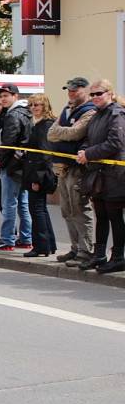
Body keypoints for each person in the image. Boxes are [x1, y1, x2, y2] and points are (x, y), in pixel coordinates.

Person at [76, 80, 125, 273]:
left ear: (110, 94)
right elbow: (89, 139)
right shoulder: (96, 116)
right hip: (98, 175)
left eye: (99, 93)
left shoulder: (117, 114)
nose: (95, 97)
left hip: (115, 175)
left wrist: (89, 154)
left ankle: (119, 256)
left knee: (115, 216)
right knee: (101, 215)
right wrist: (83, 150)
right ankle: (99, 255)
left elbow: (115, 143)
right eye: (93, 94)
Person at [47, 77, 97, 266]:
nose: (71, 93)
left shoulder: (90, 111)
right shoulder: (67, 109)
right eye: (69, 90)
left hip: (78, 168)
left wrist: (63, 132)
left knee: (79, 209)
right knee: (67, 211)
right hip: (63, 166)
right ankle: (75, 249)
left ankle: (86, 251)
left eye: (75, 90)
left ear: (85, 90)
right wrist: (64, 132)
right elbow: (50, 133)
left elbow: (76, 133)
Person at [0, 83, 33, 251]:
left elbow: (9, 143)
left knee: (9, 204)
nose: (3, 98)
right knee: (22, 203)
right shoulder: (25, 113)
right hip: (23, 165)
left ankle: (7, 240)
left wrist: (3, 163)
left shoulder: (13, 115)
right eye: (1, 96)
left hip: (12, 167)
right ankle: (26, 238)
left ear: (15, 96)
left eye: (6, 95)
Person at [21, 94, 57, 257]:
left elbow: (44, 155)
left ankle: (41, 246)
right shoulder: (36, 124)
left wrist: (37, 179)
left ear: (45, 106)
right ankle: (48, 244)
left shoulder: (45, 126)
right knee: (39, 209)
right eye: (32, 105)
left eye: (38, 105)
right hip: (34, 172)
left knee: (37, 210)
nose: (34, 107)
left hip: (39, 175)